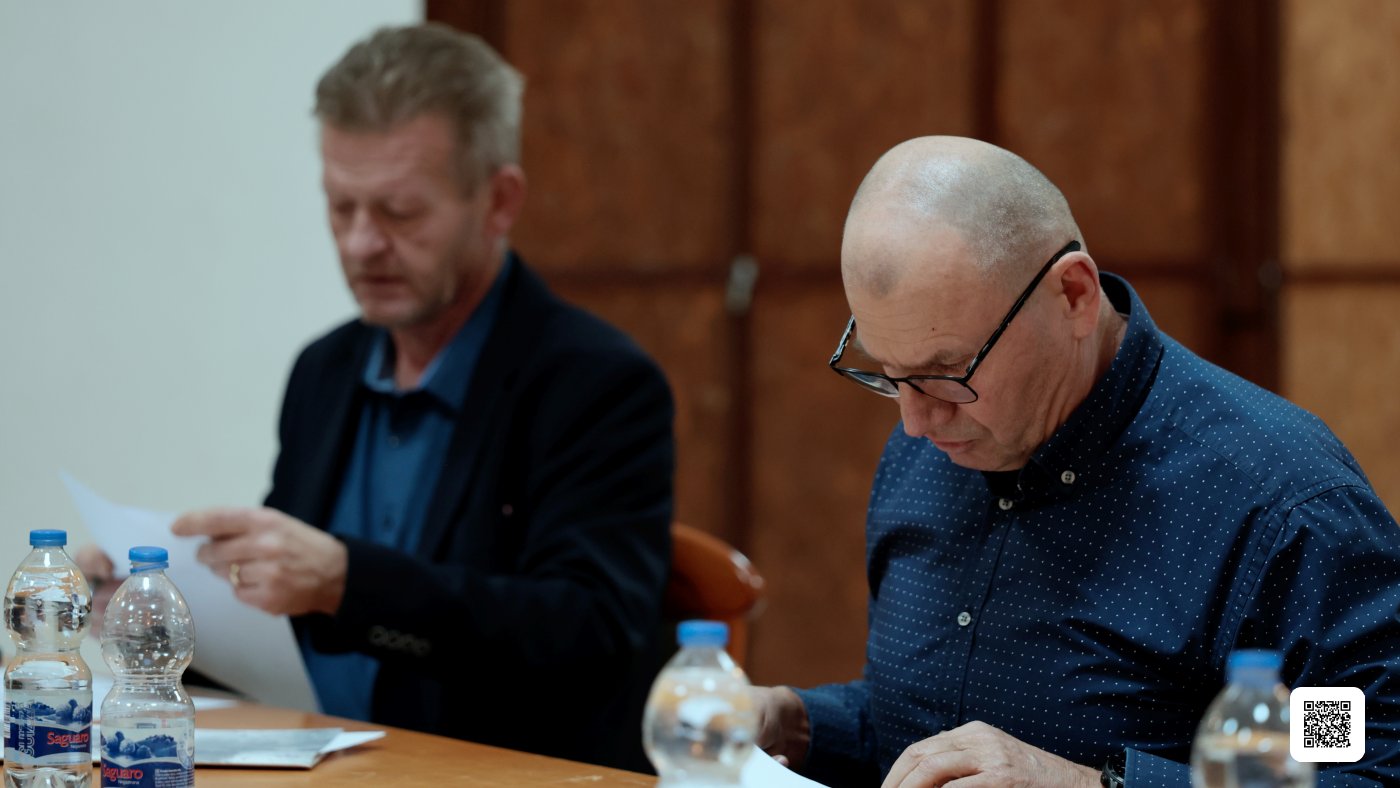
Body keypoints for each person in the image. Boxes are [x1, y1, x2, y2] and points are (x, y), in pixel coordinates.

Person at [80, 23, 674, 770]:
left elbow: (591, 634)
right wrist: (163, 616)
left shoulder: (595, 383)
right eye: (341, 208)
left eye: (400, 212)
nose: (361, 244)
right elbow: (286, 629)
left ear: (499, 201)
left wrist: (347, 583)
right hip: (317, 764)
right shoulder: (325, 370)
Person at [752, 136, 1400, 786]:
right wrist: (801, 724)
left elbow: (1367, 771)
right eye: (890, 374)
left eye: (948, 371)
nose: (915, 422)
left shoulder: (1280, 507)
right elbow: (926, 726)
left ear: (1073, 296)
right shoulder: (928, 451)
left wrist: (1087, 784)